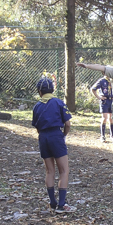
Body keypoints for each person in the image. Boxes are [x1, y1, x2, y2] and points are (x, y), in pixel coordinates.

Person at [31, 77, 75, 213]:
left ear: (39, 91)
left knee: (49, 171)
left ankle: (52, 202)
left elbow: (36, 126)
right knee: (64, 170)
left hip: (43, 138)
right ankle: (62, 205)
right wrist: (64, 135)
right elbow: (67, 123)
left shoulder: (37, 106)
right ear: (52, 89)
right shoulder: (58, 102)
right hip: (56, 136)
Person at [90, 75, 113, 142]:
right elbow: (93, 89)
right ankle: (102, 136)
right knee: (104, 118)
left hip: (112, 101)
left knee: (111, 118)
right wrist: (99, 97)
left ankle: (112, 136)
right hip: (105, 101)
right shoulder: (102, 80)